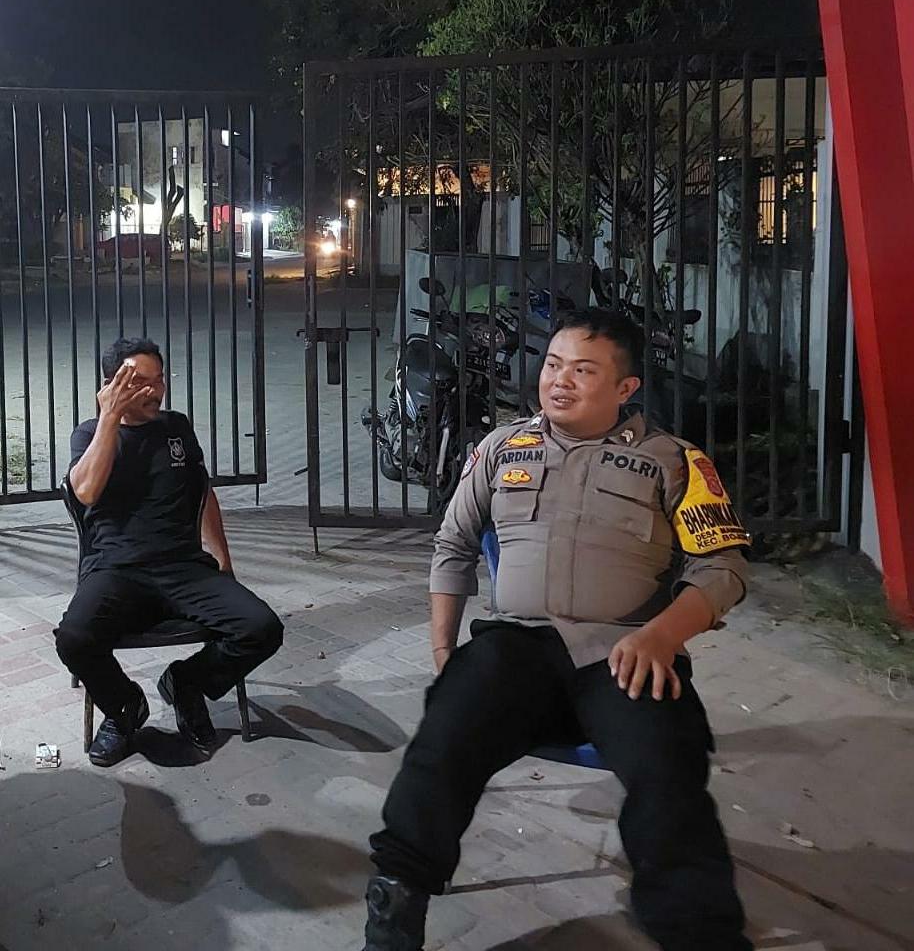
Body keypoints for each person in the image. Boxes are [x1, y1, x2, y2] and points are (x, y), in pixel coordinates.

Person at [362, 308, 753, 951]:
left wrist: (663, 635)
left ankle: (699, 932)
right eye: (553, 364)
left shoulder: (675, 461)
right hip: (517, 646)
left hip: (625, 649)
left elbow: (723, 567)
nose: (559, 380)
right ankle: (398, 894)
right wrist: (443, 649)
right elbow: (453, 545)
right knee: (445, 733)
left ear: (625, 387)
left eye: (583, 370)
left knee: (668, 769)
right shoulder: (501, 448)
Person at [55, 336, 283, 767]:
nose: (154, 391)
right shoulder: (90, 434)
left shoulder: (176, 427)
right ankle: (124, 708)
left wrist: (224, 561)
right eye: (140, 383)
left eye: (159, 380)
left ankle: (186, 682)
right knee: (74, 639)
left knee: (262, 627)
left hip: (183, 568)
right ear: (111, 385)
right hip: (116, 571)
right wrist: (110, 418)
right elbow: (84, 491)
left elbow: (203, 493)